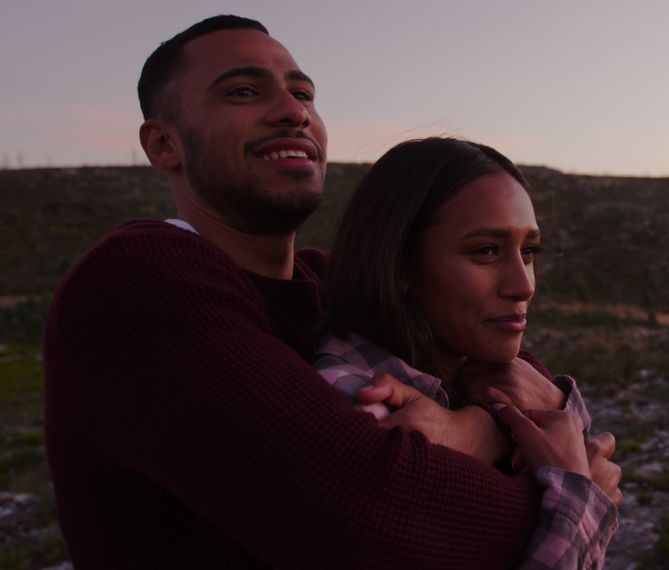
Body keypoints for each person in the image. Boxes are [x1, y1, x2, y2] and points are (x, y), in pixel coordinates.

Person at [43, 15, 619, 569]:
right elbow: (378, 528)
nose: (293, 112)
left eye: (304, 94)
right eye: (244, 92)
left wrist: (481, 428)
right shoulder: (139, 283)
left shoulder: (320, 285)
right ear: (163, 144)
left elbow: (514, 373)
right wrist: (570, 486)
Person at [314, 138, 620, 567]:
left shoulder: (481, 378)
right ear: (400, 264)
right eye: (486, 251)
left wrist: (540, 409)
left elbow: (578, 445)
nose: (524, 285)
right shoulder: (355, 407)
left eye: (528, 251)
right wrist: (578, 493)